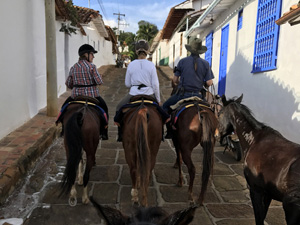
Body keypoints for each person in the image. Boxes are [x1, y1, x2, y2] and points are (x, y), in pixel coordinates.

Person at [114, 39, 168, 141]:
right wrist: (158, 99)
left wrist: (135, 85)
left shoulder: (131, 64)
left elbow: (127, 84)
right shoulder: (151, 65)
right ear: (147, 51)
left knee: (119, 107)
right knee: (162, 112)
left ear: (136, 51)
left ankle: (120, 134)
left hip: (134, 94)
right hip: (149, 93)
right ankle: (161, 134)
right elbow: (155, 84)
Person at [163, 36, 214, 139]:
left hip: (182, 95)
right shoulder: (205, 63)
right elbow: (209, 83)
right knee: (211, 111)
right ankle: (214, 133)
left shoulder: (182, 62)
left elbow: (175, 80)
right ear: (200, 51)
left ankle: (169, 131)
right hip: (198, 95)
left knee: (164, 106)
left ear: (190, 49)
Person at [61, 44, 109, 140]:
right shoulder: (92, 67)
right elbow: (99, 82)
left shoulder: (73, 67)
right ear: (86, 55)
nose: (93, 56)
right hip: (93, 96)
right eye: (92, 54)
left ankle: (63, 129)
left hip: (76, 96)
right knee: (104, 109)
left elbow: (69, 84)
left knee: (63, 109)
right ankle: (104, 132)